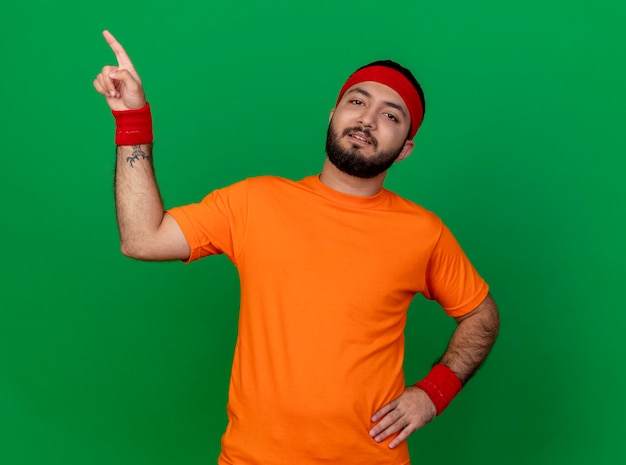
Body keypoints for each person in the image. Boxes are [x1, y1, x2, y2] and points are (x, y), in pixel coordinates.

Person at [94, 30, 500, 465]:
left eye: (391, 116)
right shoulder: (255, 202)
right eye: (357, 101)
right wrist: (131, 118)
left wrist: (433, 394)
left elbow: (482, 314)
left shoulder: (423, 232)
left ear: (405, 150)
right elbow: (142, 238)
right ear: (333, 115)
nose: (367, 118)